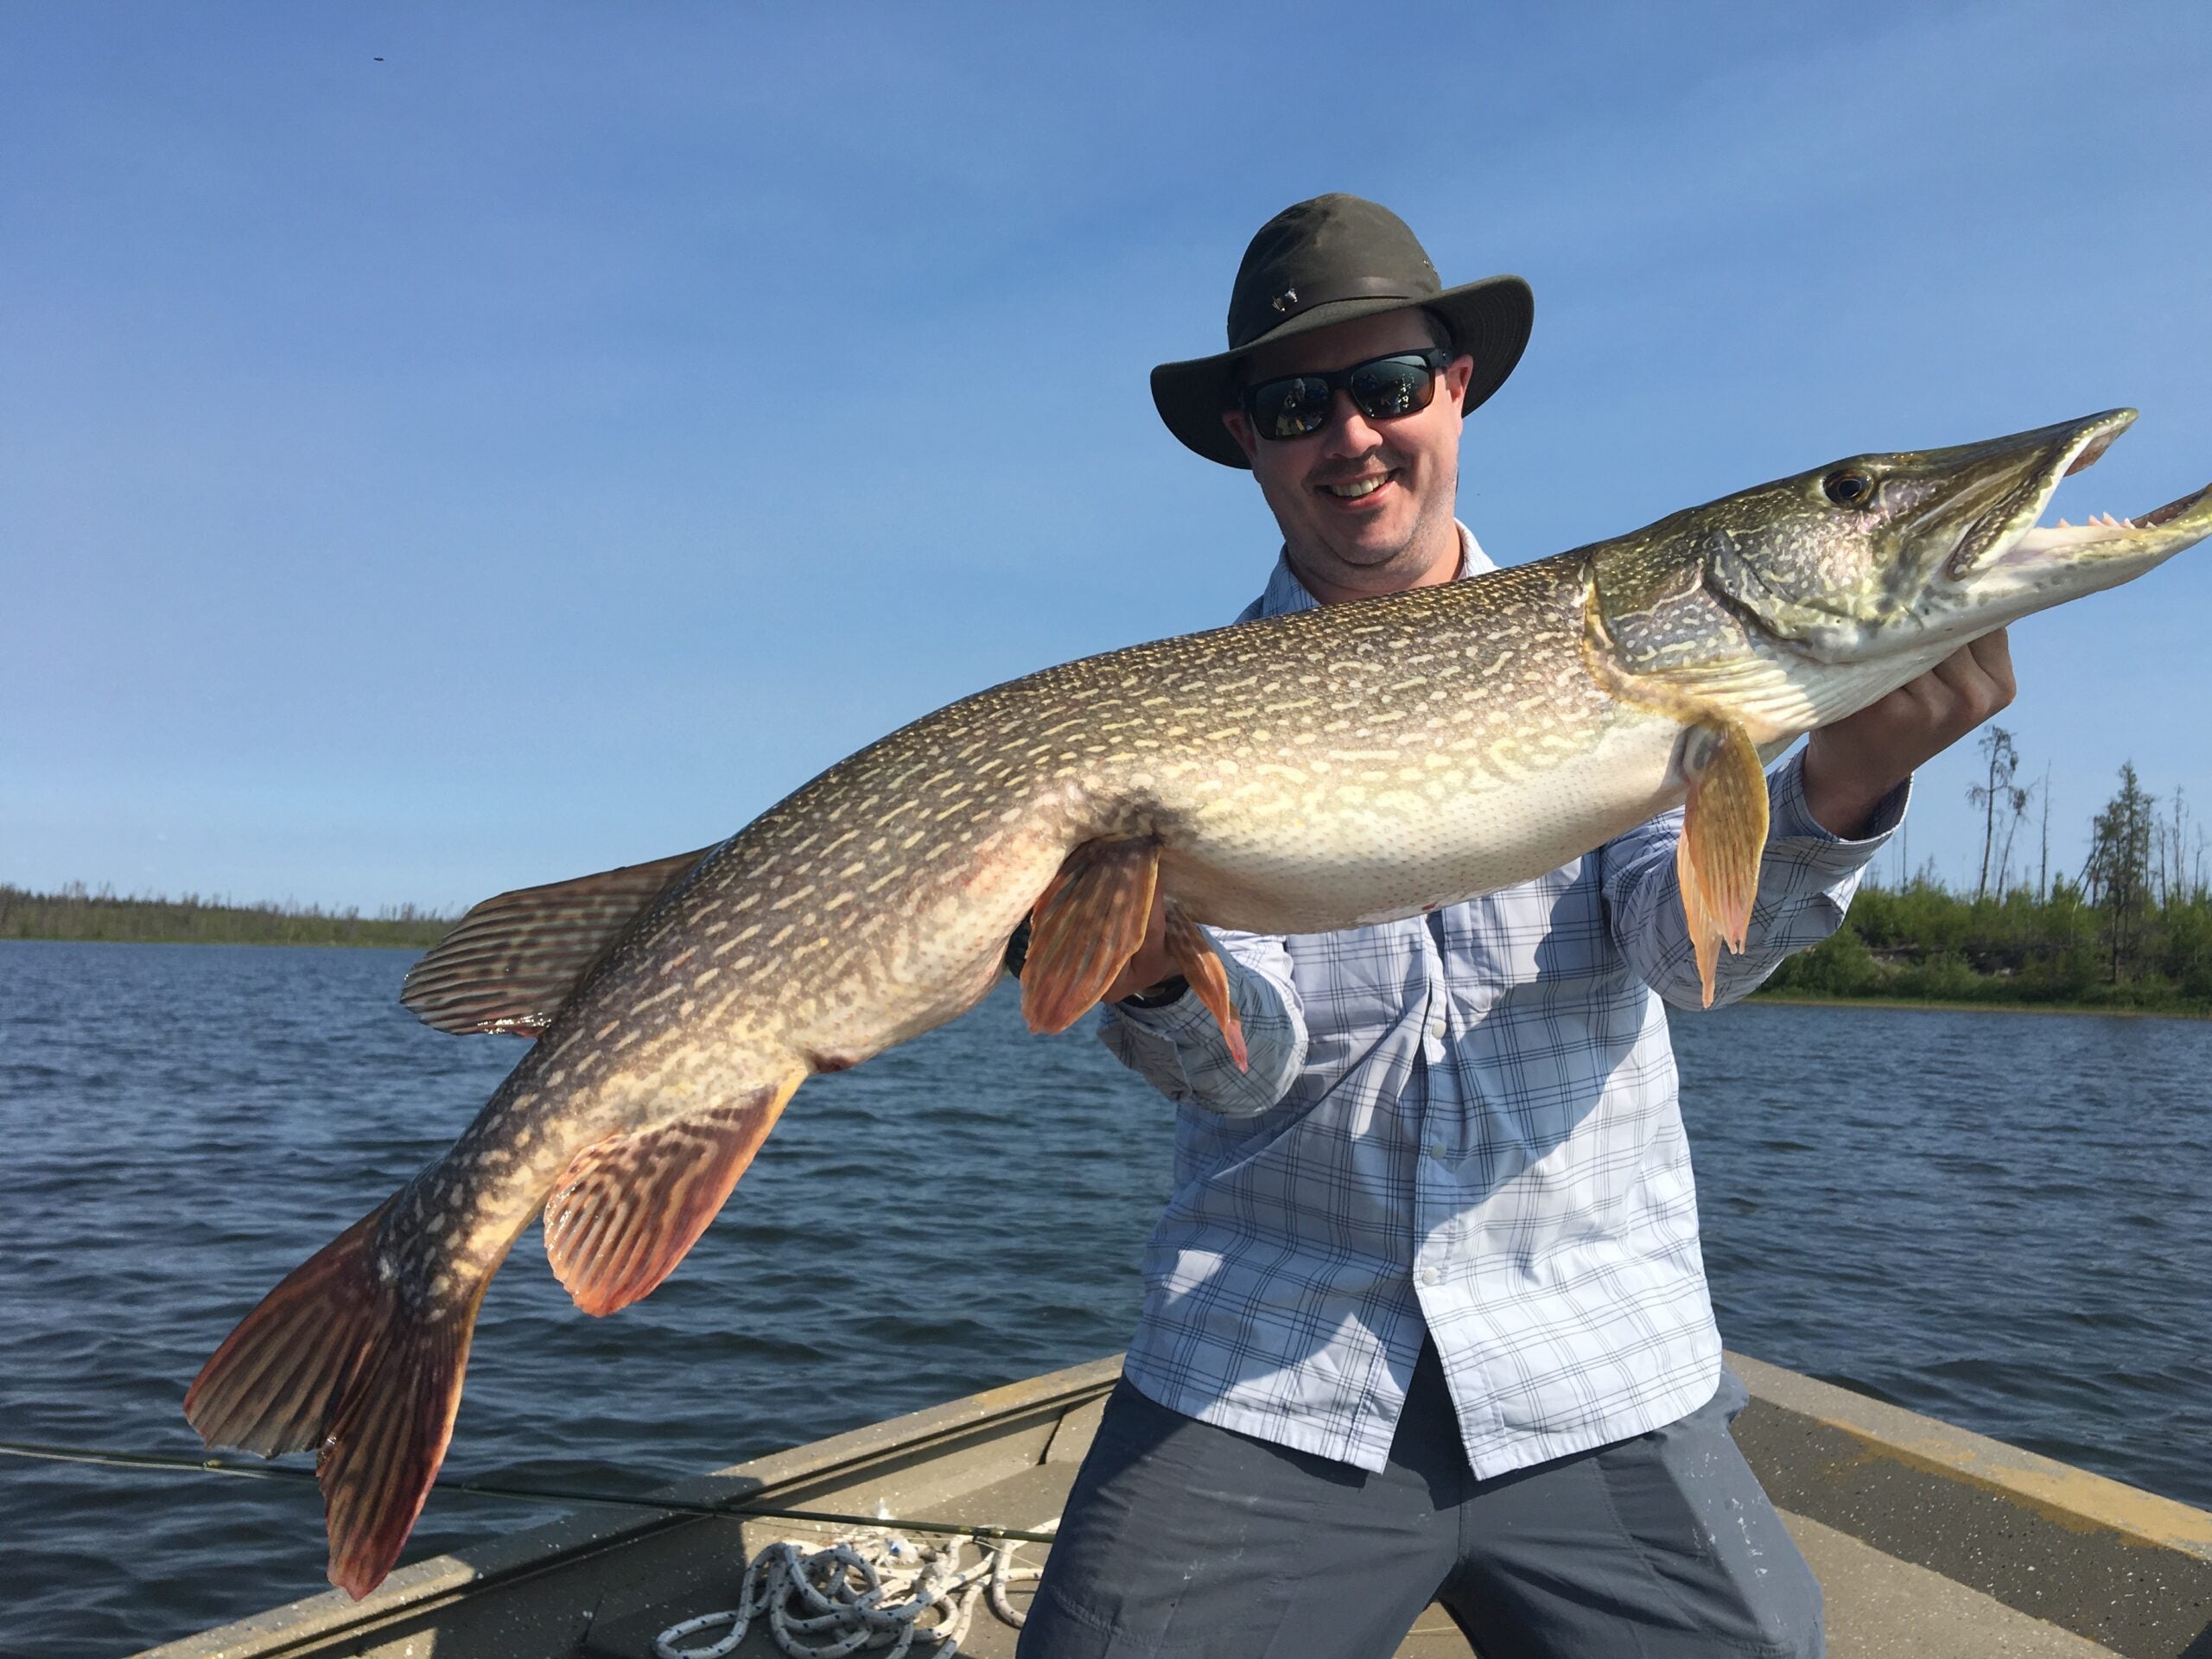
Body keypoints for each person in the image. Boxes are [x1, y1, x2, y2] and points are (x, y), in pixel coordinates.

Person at [1014, 195, 2015, 1658]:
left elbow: (1691, 957)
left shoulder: (1632, 655)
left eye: (1389, 387)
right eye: (1298, 405)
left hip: (1591, 1350)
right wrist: (1160, 978)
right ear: (1249, 438)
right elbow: (1247, 1069)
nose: (1351, 437)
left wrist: (1845, 783)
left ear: (1456, 385)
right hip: (1271, 1359)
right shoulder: (1187, 725)